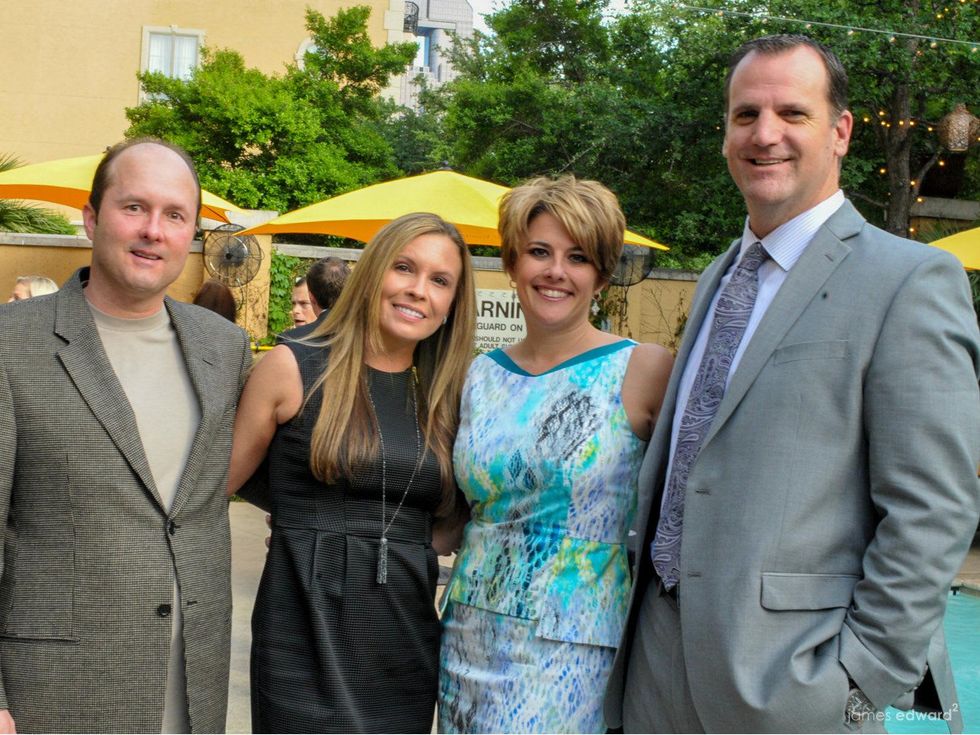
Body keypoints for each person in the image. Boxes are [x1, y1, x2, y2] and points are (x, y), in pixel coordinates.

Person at [605, 35, 980, 734]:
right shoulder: (721, 272)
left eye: (791, 113)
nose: (764, 133)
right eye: (745, 115)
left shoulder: (910, 281)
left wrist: (858, 682)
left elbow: (934, 508)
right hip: (654, 667)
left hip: (794, 687)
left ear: (840, 132)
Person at [0, 138, 253, 733]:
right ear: (92, 218)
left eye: (174, 215)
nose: (153, 231)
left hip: (191, 688)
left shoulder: (224, 347)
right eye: (133, 207)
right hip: (56, 692)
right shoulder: (12, 343)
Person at [438, 175, 674, 733]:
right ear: (513, 262)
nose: (555, 272)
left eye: (578, 257)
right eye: (539, 252)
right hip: (467, 635)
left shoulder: (643, 369)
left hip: (574, 649)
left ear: (602, 275)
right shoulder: (480, 374)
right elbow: (456, 513)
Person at [228, 212, 476, 733]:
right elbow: (216, 489)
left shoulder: (446, 399)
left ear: (453, 303)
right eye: (404, 268)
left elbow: (455, 520)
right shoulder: (293, 367)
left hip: (403, 642)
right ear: (373, 272)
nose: (417, 290)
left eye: (439, 280)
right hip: (301, 636)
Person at [277, 255, 350, 342]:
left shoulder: (289, 343)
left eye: (304, 303)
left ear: (313, 298)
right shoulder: (361, 336)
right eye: (293, 303)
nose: (295, 310)